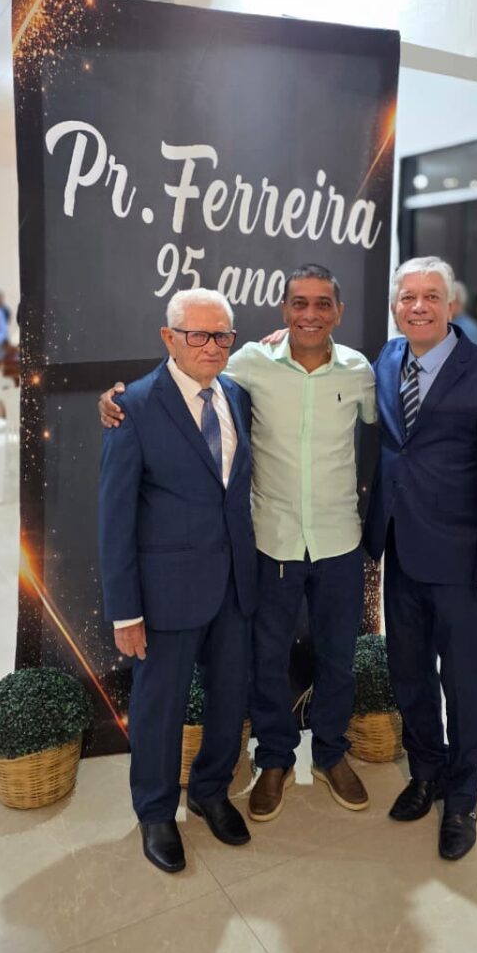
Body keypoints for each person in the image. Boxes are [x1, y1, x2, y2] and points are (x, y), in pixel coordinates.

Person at [100, 265, 377, 823]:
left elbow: (389, 430)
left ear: (338, 312)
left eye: (322, 304)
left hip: (333, 543)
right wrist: (112, 399)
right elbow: (169, 393)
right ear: (283, 309)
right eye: (299, 303)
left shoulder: (357, 371)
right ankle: (266, 762)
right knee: (263, 665)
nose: (310, 314)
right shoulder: (243, 365)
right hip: (266, 548)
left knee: (331, 661)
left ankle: (325, 755)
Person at [364, 256, 477, 861]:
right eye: (408, 296)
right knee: (408, 672)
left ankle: (462, 794)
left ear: (452, 305)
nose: (419, 306)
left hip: (462, 561)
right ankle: (426, 771)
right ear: (395, 307)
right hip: (401, 550)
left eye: (431, 296)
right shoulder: (386, 360)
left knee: (462, 682)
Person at [98, 287, 257, 873]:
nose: (211, 346)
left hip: (235, 584)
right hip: (166, 594)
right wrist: (126, 611)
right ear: (169, 338)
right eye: (198, 334)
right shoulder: (133, 407)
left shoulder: (237, 395)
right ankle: (157, 811)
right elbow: (114, 517)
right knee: (159, 709)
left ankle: (212, 791)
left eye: (222, 335)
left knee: (229, 699)